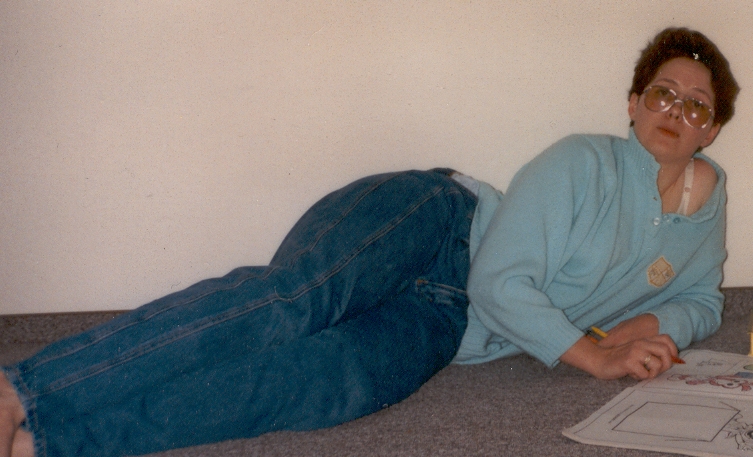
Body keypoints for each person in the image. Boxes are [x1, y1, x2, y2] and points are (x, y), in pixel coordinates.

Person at [0, 26, 740, 457]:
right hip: (437, 222)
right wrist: (593, 351)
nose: (674, 110)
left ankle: (52, 440)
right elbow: (500, 280)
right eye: (660, 93)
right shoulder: (583, 159)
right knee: (292, 302)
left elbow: (703, 299)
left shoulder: (707, 208)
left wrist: (653, 326)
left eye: (695, 102)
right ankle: (23, 389)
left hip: (445, 325)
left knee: (319, 385)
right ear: (633, 104)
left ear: (711, 127)